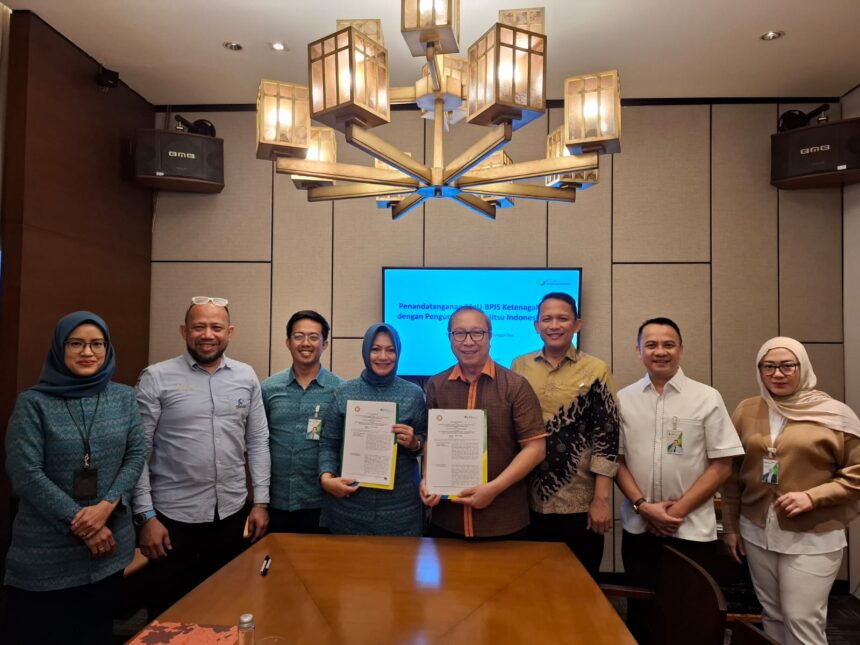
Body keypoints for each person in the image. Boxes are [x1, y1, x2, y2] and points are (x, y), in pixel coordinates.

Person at [3, 311, 145, 644]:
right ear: (59, 348)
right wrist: (82, 523)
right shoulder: (33, 404)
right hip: (48, 555)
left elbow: (136, 455)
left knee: (95, 633)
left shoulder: (124, 397)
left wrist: (105, 508)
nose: (87, 352)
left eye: (97, 344)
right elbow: (25, 474)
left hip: (109, 549)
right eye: (76, 344)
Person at [132, 296, 270, 616]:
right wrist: (146, 517)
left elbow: (258, 440)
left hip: (232, 516)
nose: (208, 334)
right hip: (171, 521)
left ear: (230, 332)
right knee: (169, 615)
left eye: (216, 327)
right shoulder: (156, 378)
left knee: (226, 608)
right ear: (184, 331)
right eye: (199, 326)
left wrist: (260, 503)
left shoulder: (246, 376)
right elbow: (138, 451)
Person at [722, 337, 860, 645]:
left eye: (787, 365)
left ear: (803, 367)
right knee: (771, 615)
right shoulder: (747, 410)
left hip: (813, 535)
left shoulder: (834, 414)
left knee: (802, 620)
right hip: (758, 530)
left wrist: (813, 496)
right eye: (769, 366)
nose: (778, 374)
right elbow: (731, 474)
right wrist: (731, 527)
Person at [615, 317, 743, 644]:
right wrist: (645, 508)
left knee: (689, 618)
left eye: (668, 344)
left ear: (681, 350)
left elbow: (722, 465)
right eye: (652, 344)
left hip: (690, 531)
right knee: (642, 615)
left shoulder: (707, 397)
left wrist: (674, 513)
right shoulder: (623, 399)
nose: (661, 351)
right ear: (638, 350)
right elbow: (616, 462)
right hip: (639, 529)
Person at [511, 292, 619, 578]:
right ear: (536, 325)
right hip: (528, 500)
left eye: (563, 318)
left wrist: (601, 499)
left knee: (580, 587)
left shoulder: (596, 369)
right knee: (532, 585)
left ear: (577, 324)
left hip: (580, 501)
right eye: (547, 319)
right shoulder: (519, 366)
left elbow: (607, 436)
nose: (554, 325)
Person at [421, 306, 547, 539]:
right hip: (448, 520)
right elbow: (432, 440)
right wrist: (428, 478)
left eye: (477, 333)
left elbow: (536, 449)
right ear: (450, 339)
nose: (468, 341)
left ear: (489, 337)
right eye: (459, 333)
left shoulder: (515, 385)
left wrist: (493, 489)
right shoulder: (436, 385)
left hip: (503, 521)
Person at [318, 323, 427, 536]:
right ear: (366, 351)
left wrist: (415, 443)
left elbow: (424, 440)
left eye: (390, 350)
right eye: (375, 349)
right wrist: (327, 479)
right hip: (350, 507)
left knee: (398, 569)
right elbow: (328, 443)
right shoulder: (344, 392)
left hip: (401, 511)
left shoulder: (413, 394)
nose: (383, 356)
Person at [262, 310, 344, 533]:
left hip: (321, 505)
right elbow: (256, 444)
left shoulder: (341, 390)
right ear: (288, 342)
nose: (305, 343)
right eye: (298, 336)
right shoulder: (268, 388)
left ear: (325, 344)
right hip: (275, 503)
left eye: (314, 337)